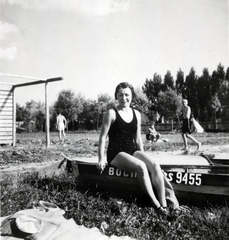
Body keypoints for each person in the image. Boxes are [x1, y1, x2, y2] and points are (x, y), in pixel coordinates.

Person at [98, 82, 168, 215]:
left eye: (127, 95)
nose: (124, 98)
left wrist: (143, 155)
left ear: (132, 96)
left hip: (132, 150)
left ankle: (164, 204)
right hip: (116, 153)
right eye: (120, 95)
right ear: (116, 97)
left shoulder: (136, 114)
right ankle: (157, 206)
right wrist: (101, 159)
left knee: (153, 163)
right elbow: (102, 138)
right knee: (141, 167)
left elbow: (137, 139)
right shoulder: (111, 113)